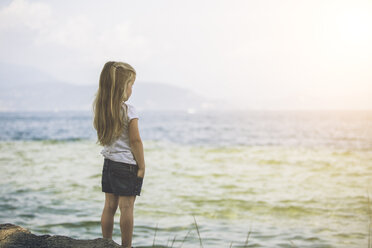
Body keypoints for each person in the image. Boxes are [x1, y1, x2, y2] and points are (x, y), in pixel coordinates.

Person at [92, 61, 145, 248]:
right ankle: (126, 246)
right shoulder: (129, 110)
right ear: (123, 87)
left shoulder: (103, 108)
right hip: (127, 165)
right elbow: (135, 141)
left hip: (109, 164)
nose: (132, 89)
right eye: (131, 85)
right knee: (127, 208)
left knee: (109, 206)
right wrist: (142, 166)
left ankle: (106, 242)